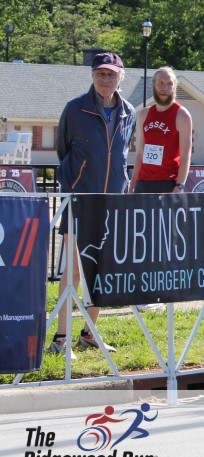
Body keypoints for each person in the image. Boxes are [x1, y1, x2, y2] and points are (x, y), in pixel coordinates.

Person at [48, 52, 137, 360]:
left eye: (111, 74)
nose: (105, 78)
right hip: (80, 200)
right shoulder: (74, 109)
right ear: (92, 76)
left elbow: (122, 155)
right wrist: (75, 182)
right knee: (73, 271)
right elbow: (63, 151)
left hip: (111, 203)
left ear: (120, 77)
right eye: (100, 73)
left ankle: (89, 333)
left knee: (101, 269)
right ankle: (61, 338)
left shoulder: (128, 112)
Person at [129, 66, 194, 312]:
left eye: (170, 84)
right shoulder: (143, 115)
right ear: (154, 85)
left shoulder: (182, 115)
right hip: (144, 184)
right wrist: (132, 185)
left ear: (175, 86)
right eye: (161, 83)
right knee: (143, 238)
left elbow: (186, 155)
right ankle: (142, 290)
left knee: (165, 239)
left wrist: (179, 185)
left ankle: (163, 292)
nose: (165, 88)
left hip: (168, 184)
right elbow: (140, 153)